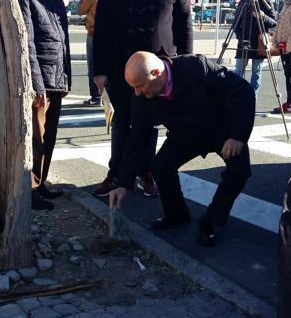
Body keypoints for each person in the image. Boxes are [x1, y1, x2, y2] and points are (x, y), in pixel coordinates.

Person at [108, 51, 255, 247]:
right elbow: (136, 140)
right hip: (184, 134)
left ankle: (212, 220)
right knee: (161, 166)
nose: (137, 92)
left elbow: (243, 91)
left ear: (157, 73)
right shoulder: (141, 98)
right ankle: (176, 215)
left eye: (140, 85)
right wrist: (123, 183)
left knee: (240, 171)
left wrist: (238, 136)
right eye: (133, 87)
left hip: (222, 129)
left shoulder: (195, 66)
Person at [92, 0, 193, 197]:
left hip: (158, 69)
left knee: (151, 122)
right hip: (121, 67)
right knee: (121, 120)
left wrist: (186, 63)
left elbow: (184, 23)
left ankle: (147, 172)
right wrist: (99, 71)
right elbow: (102, 30)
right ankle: (116, 173)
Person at [17, 0, 71, 210]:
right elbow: (27, 42)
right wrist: (36, 83)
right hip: (40, 79)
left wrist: (65, 76)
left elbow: (63, 37)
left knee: (49, 136)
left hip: (56, 76)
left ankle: (41, 182)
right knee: (36, 138)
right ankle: (29, 189)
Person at [234, 0, 277, 97]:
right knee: (238, 72)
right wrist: (239, 36)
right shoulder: (244, 1)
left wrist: (262, 16)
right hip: (243, 42)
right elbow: (236, 21)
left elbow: (274, 22)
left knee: (256, 72)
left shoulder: (266, 2)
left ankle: (252, 98)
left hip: (259, 43)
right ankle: (236, 97)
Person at [78, 0, 109, 106]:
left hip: (93, 33)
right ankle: (107, 96)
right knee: (107, 65)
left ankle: (95, 97)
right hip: (108, 33)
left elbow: (80, 10)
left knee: (93, 66)